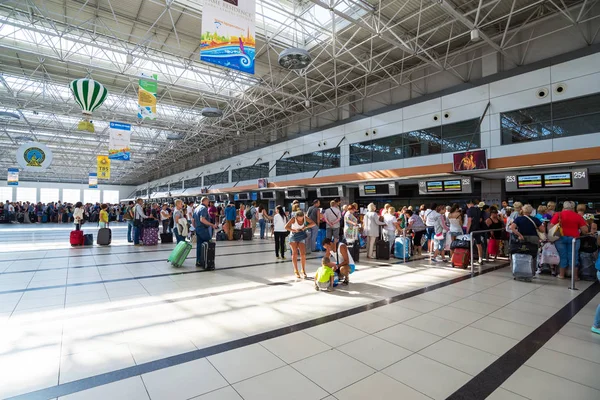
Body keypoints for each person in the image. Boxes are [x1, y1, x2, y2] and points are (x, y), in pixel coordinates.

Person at [549, 201, 588, 279]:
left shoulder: (558, 214)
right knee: (574, 256)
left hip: (560, 238)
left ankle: (562, 275)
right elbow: (585, 230)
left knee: (563, 256)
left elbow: (551, 226)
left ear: (564, 207)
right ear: (573, 208)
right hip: (574, 239)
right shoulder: (577, 216)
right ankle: (575, 276)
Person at [285, 210, 316, 279]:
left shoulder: (305, 218)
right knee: (295, 253)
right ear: (296, 217)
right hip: (293, 236)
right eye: (299, 218)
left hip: (301, 235)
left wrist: (305, 227)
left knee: (303, 253)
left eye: (302, 218)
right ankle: (296, 270)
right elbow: (286, 226)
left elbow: (313, 223)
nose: (301, 219)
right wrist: (293, 230)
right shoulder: (293, 219)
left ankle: (303, 270)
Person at [193, 197, 218, 269]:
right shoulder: (203, 208)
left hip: (198, 229)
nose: (208, 203)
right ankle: (207, 261)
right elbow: (202, 219)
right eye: (208, 202)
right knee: (208, 245)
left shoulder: (196, 208)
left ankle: (199, 261)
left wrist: (196, 227)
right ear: (205, 201)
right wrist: (212, 225)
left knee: (199, 245)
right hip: (204, 230)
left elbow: (193, 220)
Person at [466, 199, 484, 265]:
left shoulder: (469, 210)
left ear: (469, 204)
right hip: (478, 228)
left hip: (472, 230)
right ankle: (480, 259)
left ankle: (469, 259)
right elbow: (480, 219)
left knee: (469, 245)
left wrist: (467, 230)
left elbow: (469, 221)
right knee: (478, 244)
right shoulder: (478, 210)